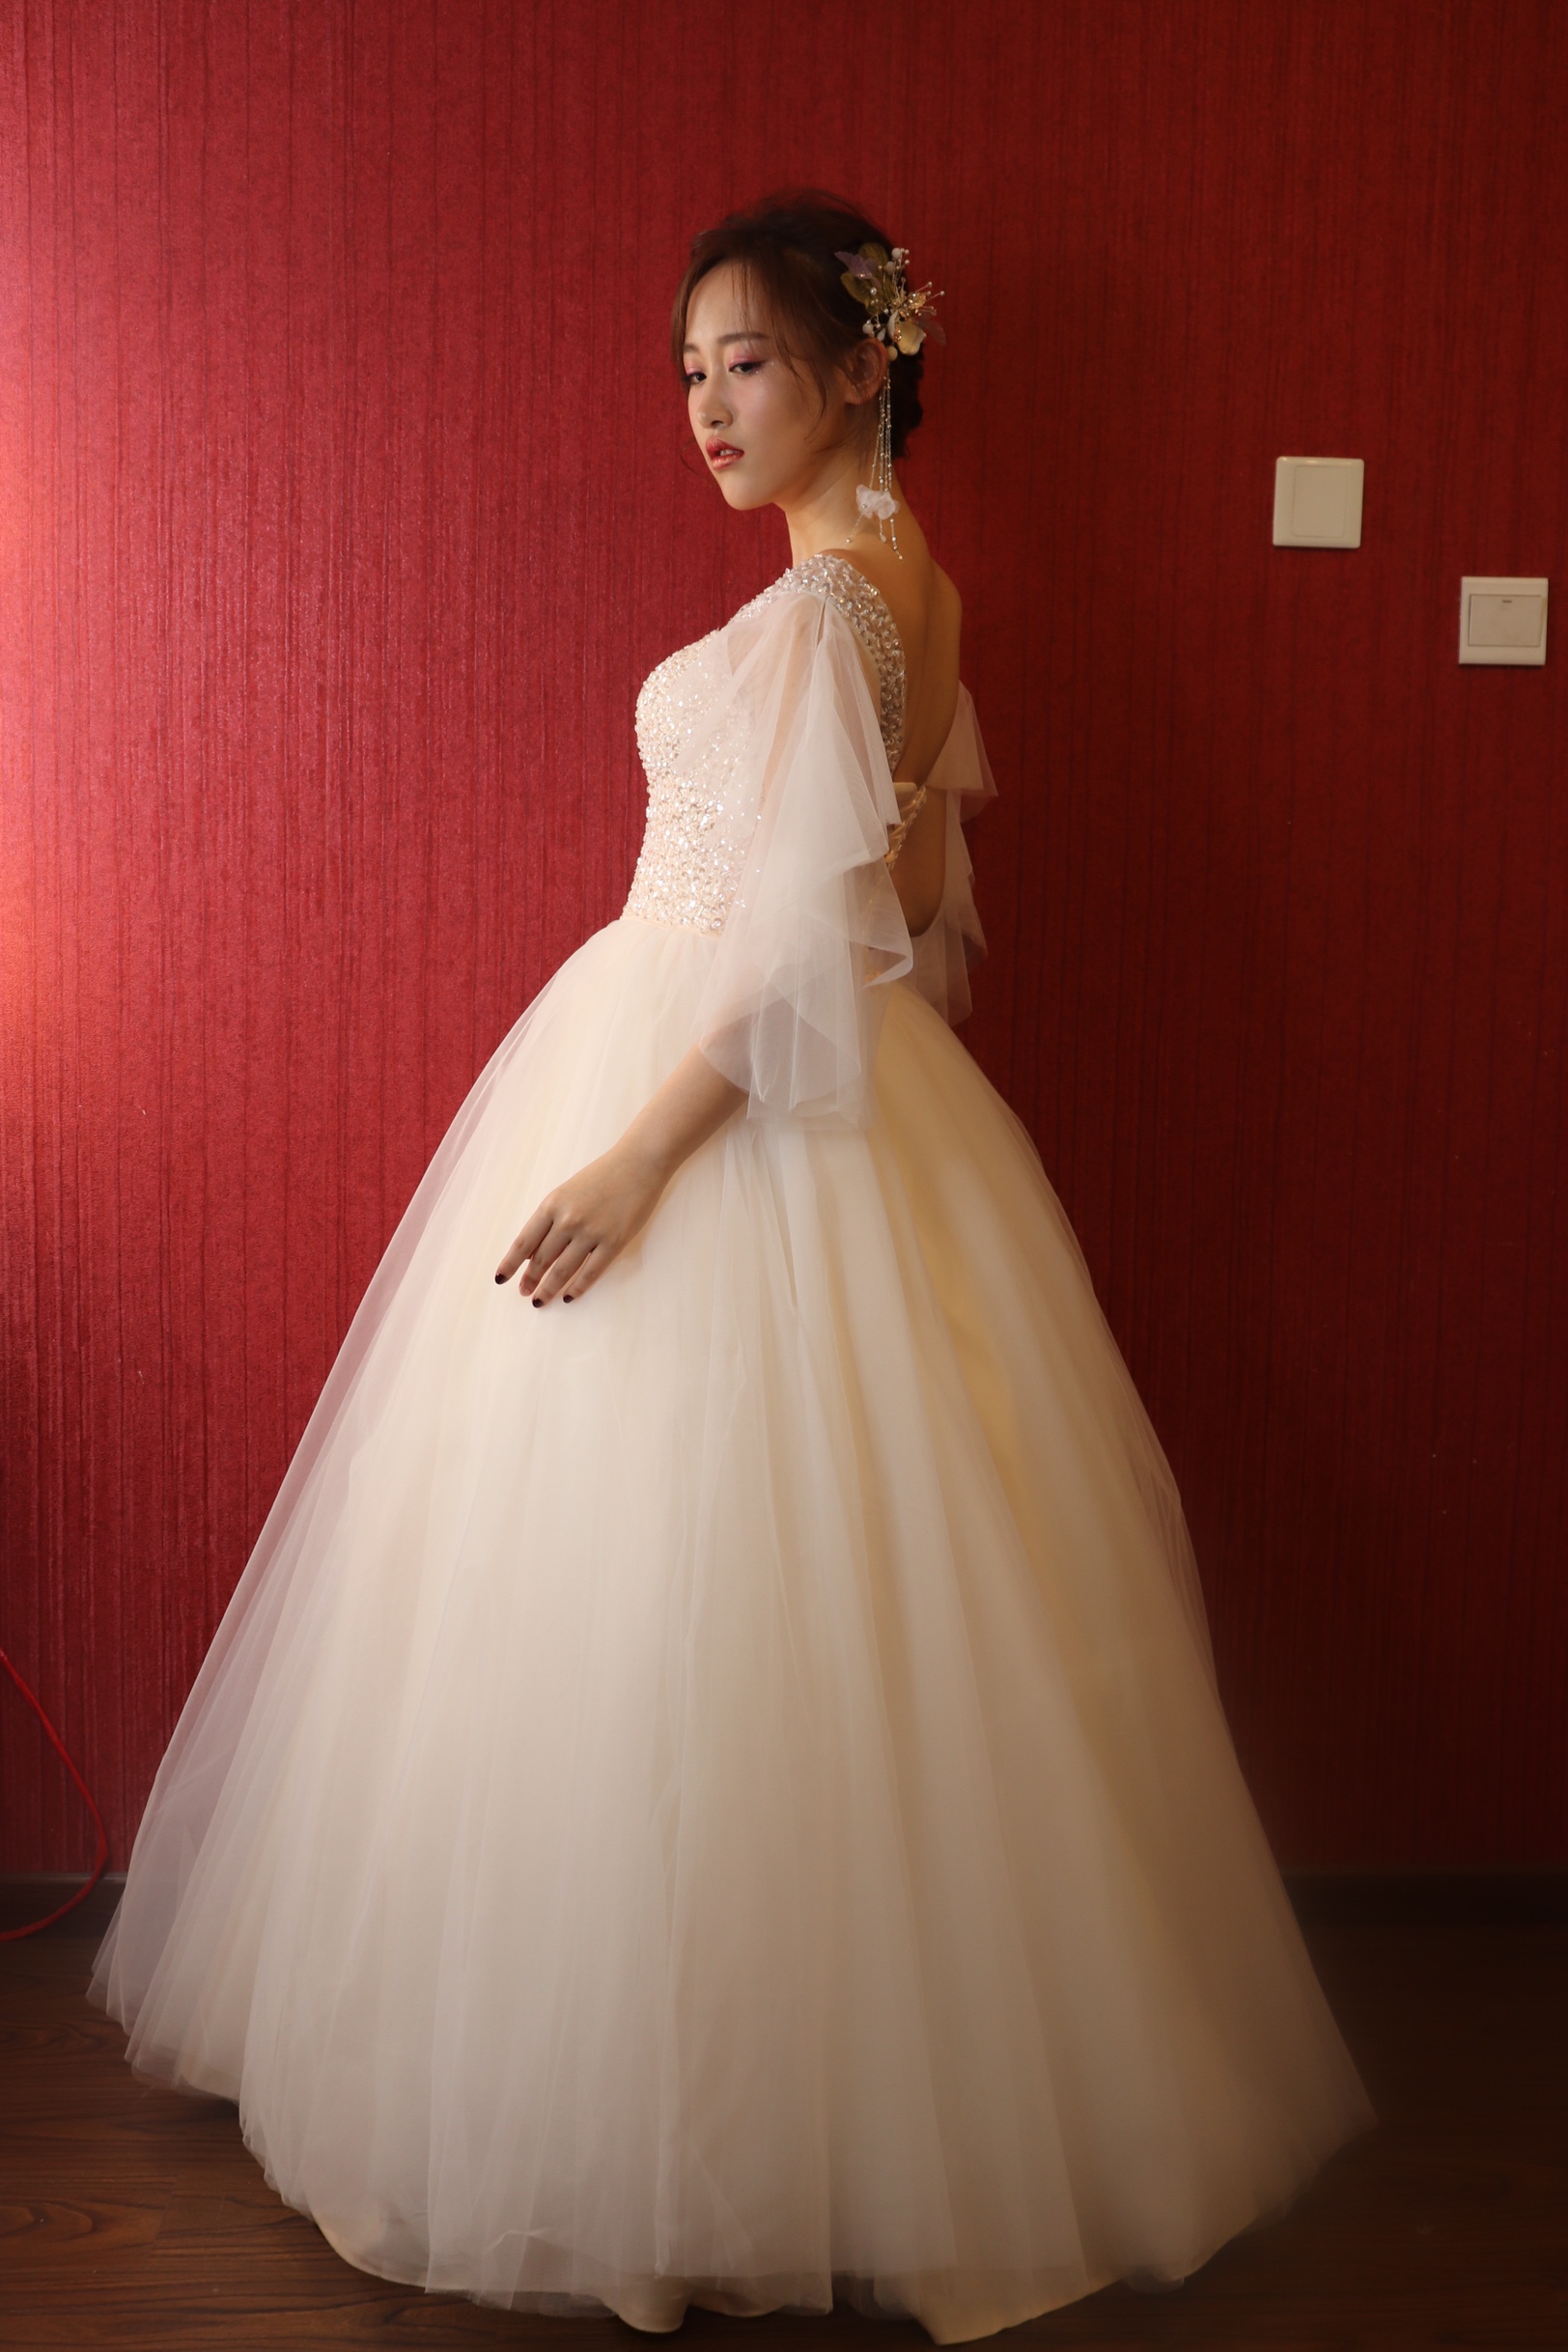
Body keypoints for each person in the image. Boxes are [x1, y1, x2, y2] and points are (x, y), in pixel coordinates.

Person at [89, 190, 1374, 2342]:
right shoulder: (909, 591)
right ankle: (781, 2108)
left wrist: (633, 1161)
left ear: (863, 366)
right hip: (802, 1094)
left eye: (748, 361)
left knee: (678, 1605)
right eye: (688, 369)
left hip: (706, 1098)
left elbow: (811, 942)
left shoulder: (829, 612)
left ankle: (662, 2140)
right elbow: (923, 911)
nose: (705, 404)